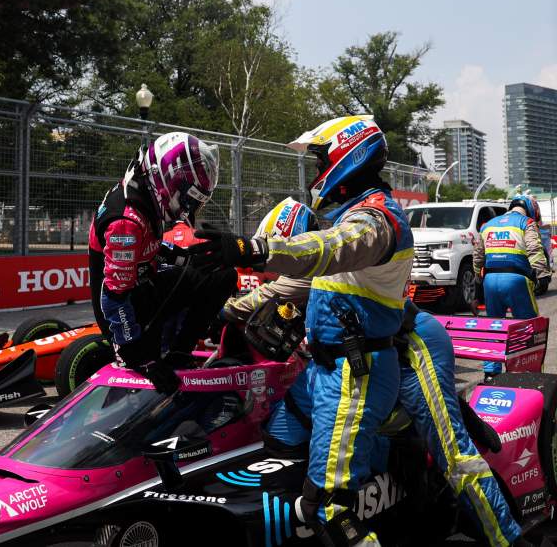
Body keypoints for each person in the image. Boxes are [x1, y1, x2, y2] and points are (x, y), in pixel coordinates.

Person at [226, 202, 522, 546]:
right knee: (287, 427)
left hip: (414, 345)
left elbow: (270, 292)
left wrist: (225, 307)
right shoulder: (324, 262)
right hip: (369, 357)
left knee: (451, 452)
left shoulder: (321, 262)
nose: (278, 272)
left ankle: (507, 536)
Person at [194, 115, 412, 546]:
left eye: (321, 161)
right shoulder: (352, 214)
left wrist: (254, 248)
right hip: (326, 372)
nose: (316, 173)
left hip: (356, 374)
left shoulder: (377, 221)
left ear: (349, 157)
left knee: (327, 508)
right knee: (277, 439)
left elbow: (327, 249)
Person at [88, 131, 237, 394]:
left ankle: (179, 353)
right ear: (169, 179)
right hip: (126, 311)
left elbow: (148, 249)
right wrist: (139, 357)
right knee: (152, 389)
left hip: (143, 286)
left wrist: (186, 257)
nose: (188, 208)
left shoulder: (142, 191)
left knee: (219, 273)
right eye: (188, 198)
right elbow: (114, 298)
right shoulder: (126, 222)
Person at [473, 194, 550, 375]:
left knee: (495, 329)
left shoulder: (489, 225)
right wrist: (543, 274)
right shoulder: (526, 222)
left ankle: (491, 373)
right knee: (528, 328)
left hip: (490, 282)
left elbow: (477, 257)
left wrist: (478, 287)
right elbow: (534, 249)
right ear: (532, 209)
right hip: (517, 281)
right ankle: (527, 372)